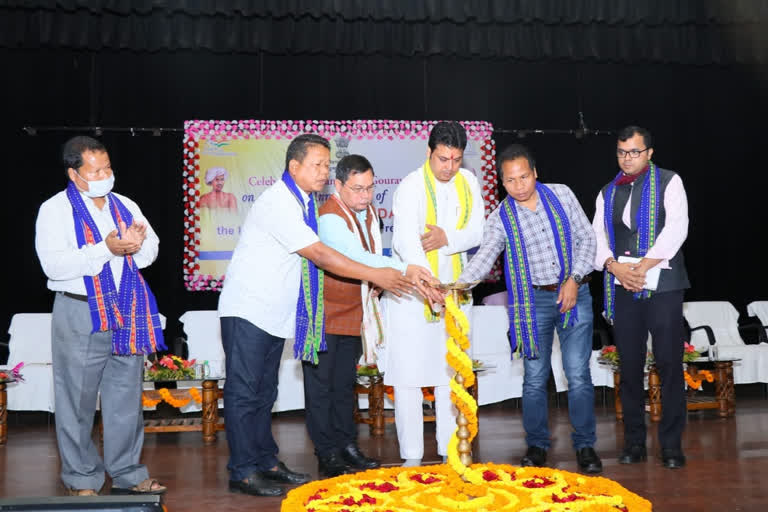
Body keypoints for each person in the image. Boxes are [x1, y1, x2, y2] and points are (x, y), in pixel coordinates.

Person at [217, 134, 436, 497]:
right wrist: (377, 274)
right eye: (317, 165)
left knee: (264, 393)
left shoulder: (302, 202)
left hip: (274, 314)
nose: (323, 171)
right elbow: (320, 255)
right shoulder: (279, 203)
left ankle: (266, 463)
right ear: (294, 166)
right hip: (248, 309)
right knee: (245, 393)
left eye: (325, 164)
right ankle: (243, 471)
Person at [458, 143, 603, 474]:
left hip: (574, 292)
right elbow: (482, 259)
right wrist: (456, 284)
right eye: (511, 181)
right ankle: (537, 445)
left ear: (535, 173)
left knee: (578, 374)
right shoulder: (500, 218)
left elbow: (588, 240)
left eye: (524, 177)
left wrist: (574, 279)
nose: (519, 186)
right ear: (502, 182)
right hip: (531, 302)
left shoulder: (562, 195)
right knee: (535, 378)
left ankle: (585, 446)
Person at [35, 135, 167, 496]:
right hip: (80, 310)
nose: (105, 175)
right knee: (76, 400)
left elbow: (150, 249)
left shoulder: (124, 204)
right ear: (75, 174)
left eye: (108, 167)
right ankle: (81, 479)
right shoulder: (55, 210)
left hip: (127, 309)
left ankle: (127, 473)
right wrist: (105, 249)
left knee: (125, 398)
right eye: (96, 170)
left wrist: (135, 245)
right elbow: (55, 264)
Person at [306, 154, 438, 477]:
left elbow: (376, 257)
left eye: (370, 188)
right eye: (357, 189)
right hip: (325, 315)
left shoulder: (368, 215)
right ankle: (326, 453)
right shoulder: (329, 218)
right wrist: (406, 269)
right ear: (337, 186)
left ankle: (347, 445)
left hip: (355, 314)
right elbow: (359, 258)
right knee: (321, 388)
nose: (365, 196)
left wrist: (385, 279)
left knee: (344, 385)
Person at [381, 121, 485, 466]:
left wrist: (448, 239)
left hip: (454, 295)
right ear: (429, 153)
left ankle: (447, 449)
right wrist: (427, 284)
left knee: (447, 374)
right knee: (409, 376)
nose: (449, 167)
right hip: (413, 297)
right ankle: (411, 456)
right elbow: (404, 241)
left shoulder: (468, 182)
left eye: (456, 159)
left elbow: (477, 231)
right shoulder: (410, 186)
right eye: (443, 159)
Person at [592, 125, 690, 469]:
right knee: (630, 367)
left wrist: (643, 267)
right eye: (621, 152)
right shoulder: (607, 191)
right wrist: (615, 268)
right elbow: (598, 238)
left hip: (662, 284)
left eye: (634, 152)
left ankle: (672, 445)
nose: (627, 159)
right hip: (623, 285)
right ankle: (634, 442)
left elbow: (676, 229)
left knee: (668, 364)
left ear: (649, 152)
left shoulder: (670, 181)